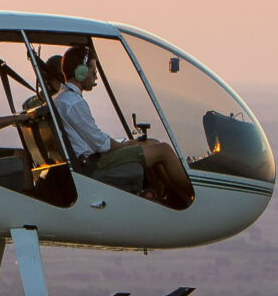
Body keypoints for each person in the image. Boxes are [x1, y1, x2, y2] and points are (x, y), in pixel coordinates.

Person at [42, 47, 193, 208]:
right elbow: (100, 143)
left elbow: (90, 136)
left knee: (152, 143)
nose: (96, 76)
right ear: (81, 72)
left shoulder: (59, 99)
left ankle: (179, 199)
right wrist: (122, 145)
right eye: (93, 71)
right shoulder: (74, 103)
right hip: (93, 163)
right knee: (164, 150)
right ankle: (194, 194)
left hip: (86, 159)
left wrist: (124, 144)